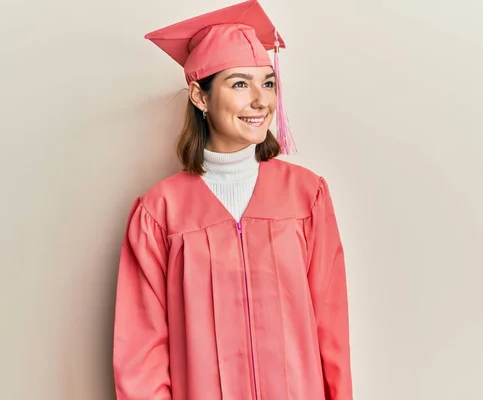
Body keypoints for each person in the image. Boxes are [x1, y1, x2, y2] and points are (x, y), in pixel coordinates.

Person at [112, 1, 353, 399]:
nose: (261, 100)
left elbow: (331, 327)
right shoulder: (160, 213)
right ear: (199, 96)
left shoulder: (307, 195)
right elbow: (141, 354)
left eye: (268, 83)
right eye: (240, 83)